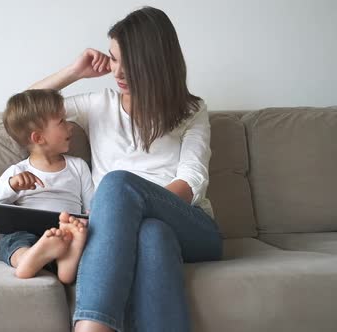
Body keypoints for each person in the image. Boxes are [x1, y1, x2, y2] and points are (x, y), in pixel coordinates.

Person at [28, 6, 223, 332]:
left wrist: (132, 203)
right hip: (143, 228)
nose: (118, 72)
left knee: (117, 185)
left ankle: (91, 327)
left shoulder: (191, 110)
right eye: (114, 58)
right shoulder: (98, 104)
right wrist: (75, 72)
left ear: (156, 63)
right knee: (152, 234)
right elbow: (24, 110)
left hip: (193, 227)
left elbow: (191, 182)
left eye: (129, 63)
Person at [0, 89, 94, 284]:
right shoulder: (17, 172)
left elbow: (91, 205)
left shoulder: (78, 166)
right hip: (25, 234)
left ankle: (64, 261)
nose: (70, 127)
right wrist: (11, 187)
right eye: (62, 121)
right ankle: (29, 258)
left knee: (82, 240)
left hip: (65, 233)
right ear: (38, 138)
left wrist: (83, 224)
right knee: (12, 242)